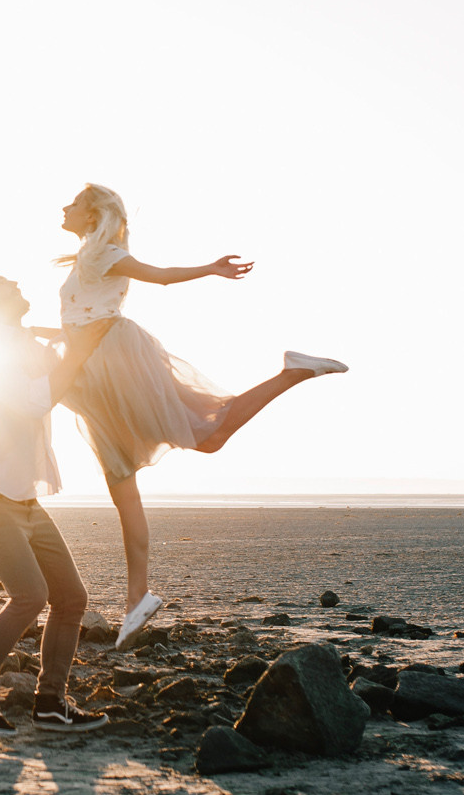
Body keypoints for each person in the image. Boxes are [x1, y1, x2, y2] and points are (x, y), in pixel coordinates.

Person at [54, 184, 347, 648]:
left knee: (196, 441)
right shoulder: (90, 256)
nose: (64, 208)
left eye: (73, 203)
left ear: (93, 214)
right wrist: (47, 332)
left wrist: (210, 269)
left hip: (112, 363)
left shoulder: (106, 252)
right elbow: (84, 316)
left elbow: (162, 276)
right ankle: (137, 599)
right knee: (126, 480)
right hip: (91, 368)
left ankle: (292, 373)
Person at [0, 270, 114, 736]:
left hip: (24, 500)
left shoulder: (25, 345)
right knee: (31, 596)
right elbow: (35, 400)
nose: (20, 288)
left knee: (71, 598)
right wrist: (73, 347)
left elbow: (72, 372)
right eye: (8, 286)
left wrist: (75, 340)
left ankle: (50, 704)